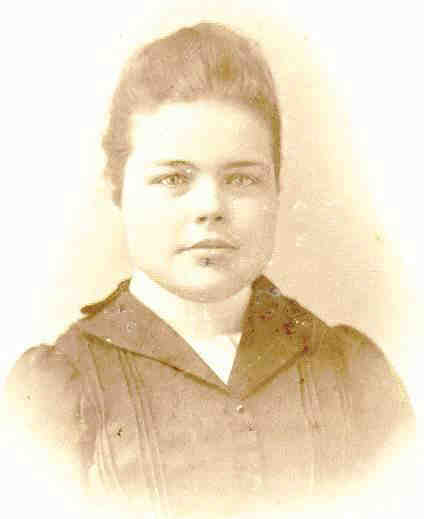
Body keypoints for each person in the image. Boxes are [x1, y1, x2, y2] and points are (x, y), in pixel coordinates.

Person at [5, 22, 414, 519]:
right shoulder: (55, 392)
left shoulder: (351, 373)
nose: (210, 208)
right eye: (173, 178)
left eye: (241, 179)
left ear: (276, 187)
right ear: (117, 188)